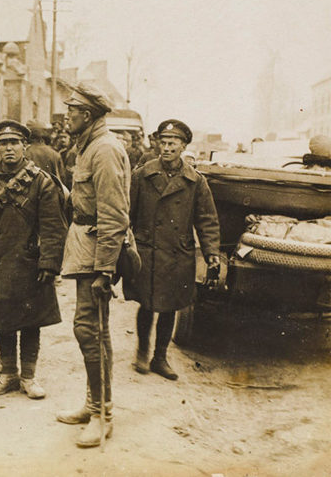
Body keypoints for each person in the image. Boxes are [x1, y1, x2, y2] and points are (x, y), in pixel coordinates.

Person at [0, 120, 67, 399]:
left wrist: (49, 263)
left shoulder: (41, 181)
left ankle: (29, 377)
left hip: (28, 263)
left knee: (31, 321)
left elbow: (54, 227)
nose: (9, 149)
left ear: (24, 147)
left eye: (14, 143)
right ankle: (9, 375)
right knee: (2, 319)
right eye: (4, 144)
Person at [54, 82, 130, 448]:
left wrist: (106, 270)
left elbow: (115, 216)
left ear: (87, 115)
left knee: (92, 331)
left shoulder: (104, 150)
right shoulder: (88, 146)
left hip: (98, 251)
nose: (66, 115)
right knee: (88, 330)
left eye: (72, 111)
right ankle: (92, 404)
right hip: (85, 243)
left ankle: (103, 416)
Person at [125, 119, 220, 381]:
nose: (166, 148)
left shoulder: (195, 181)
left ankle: (160, 357)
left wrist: (212, 253)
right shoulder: (142, 175)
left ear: (183, 146)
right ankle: (142, 351)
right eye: (163, 143)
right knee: (146, 304)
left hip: (178, 253)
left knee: (170, 307)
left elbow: (207, 220)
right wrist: (125, 246)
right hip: (147, 252)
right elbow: (127, 215)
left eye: (172, 144)